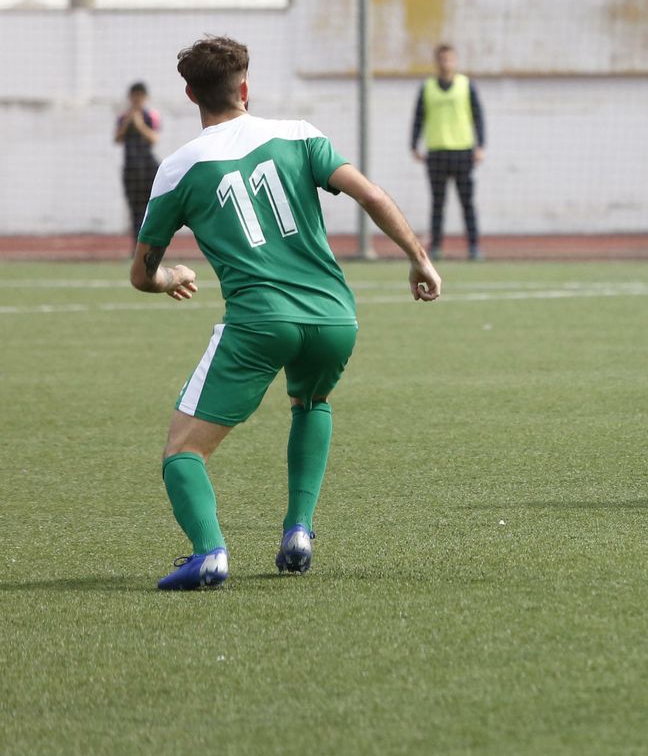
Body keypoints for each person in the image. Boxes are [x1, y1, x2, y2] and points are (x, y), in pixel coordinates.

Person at [131, 35, 441, 591]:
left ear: (190, 94)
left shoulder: (179, 168)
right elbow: (369, 194)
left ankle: (209, 554)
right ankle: (299, 531)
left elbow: (141, 273)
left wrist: (171, 277)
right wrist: (419, 258)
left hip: (259, 322)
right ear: (245, 88)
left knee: (183, 452)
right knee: (312, 401)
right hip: (334, 318)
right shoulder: (300, 135)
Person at [411, 43, 485, 260]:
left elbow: (478, 116)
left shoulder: (466, 85)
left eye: (450, 59)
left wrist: (481, 145)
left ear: (456, 61)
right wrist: (413, 145)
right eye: (442, 59)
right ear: (437, 62)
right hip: (436, 152)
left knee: (467, 202)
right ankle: (436, 247)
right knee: (437, 203)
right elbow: (418, 117)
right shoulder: (427, 88)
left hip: (463, 151)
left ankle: (473, 246)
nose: (446, 63)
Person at [114, 81, 161, 252]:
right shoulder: (123, 117)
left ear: (145, 98)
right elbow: (117, 138)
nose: (137, 99)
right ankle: (137, 248)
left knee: (151, 209)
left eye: (140, 96)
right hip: (131, 169)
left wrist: (140, 124)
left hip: (148, 167)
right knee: (135, 210)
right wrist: (128, 122)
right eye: (134, 96)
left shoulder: (151, 116)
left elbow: (154, 138)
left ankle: (153, 247)